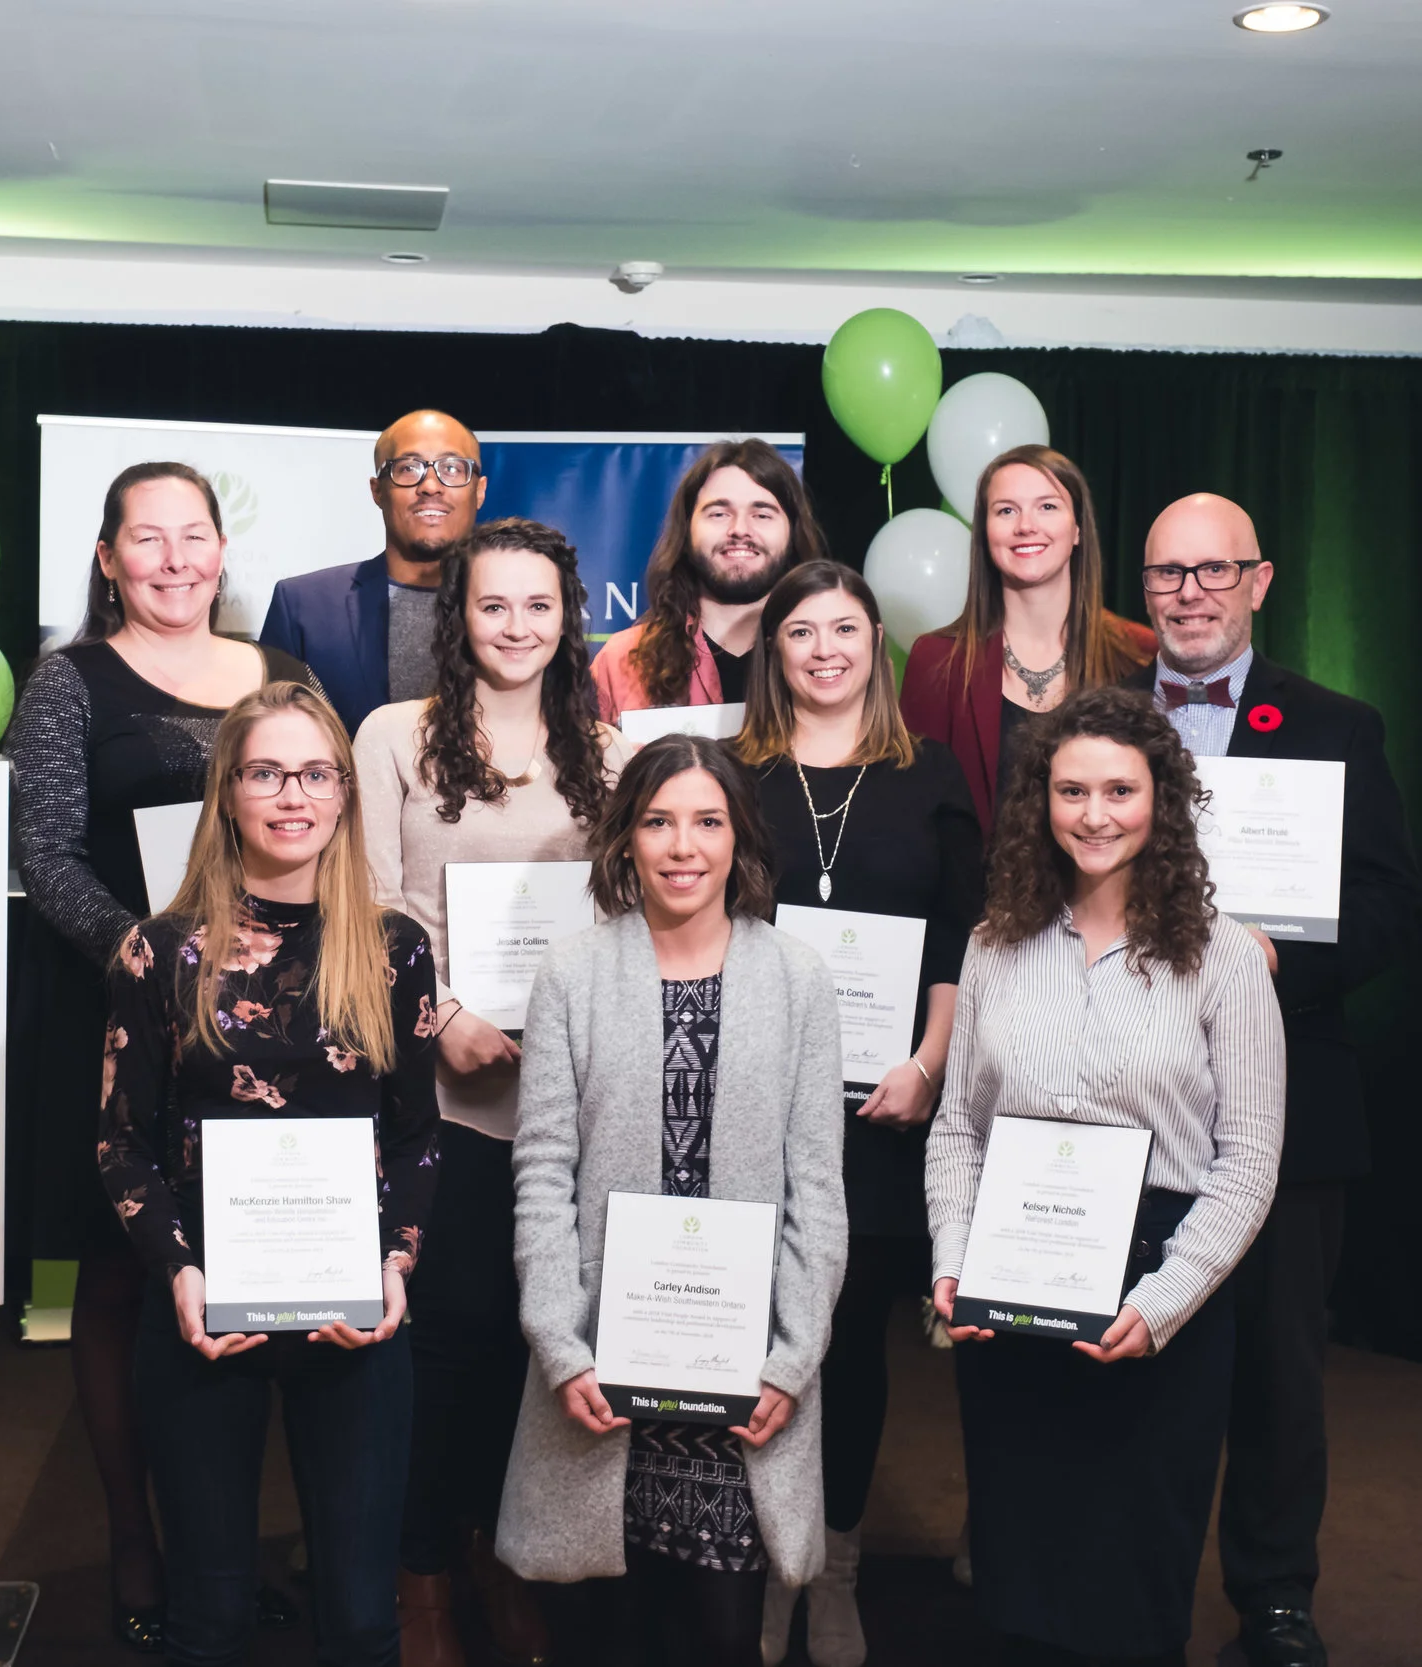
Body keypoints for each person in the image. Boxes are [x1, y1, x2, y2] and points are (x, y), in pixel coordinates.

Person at [6, 460, 321, 1654]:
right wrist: (151, 953)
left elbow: (315, 815)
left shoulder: (282, 678)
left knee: (258, 1279)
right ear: (107, 556)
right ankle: (135, 1539)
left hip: (265, 1027)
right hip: (121, 1015)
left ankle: (229, 1553)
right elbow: (44, 850)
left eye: (196, 535)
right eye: (149, 538)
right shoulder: (68, 680)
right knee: (128, 1277)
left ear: (222, 550)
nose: (176, 558)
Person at [928, 685, 1285, 1667]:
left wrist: (1163, 1300)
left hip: (1158, 1290)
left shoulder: (1223, 957)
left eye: (1119, 789)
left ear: (1161, 799)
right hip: (1013, 1283)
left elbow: (1249, 1160)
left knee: (1129, 1591)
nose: (1093, 813)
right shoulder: (996, 940)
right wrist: (954, 1260)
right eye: (1070, 789)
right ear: (1040, 801)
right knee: (1019, 1577)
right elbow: (958, 1127)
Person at [1126, 493, 1422, 1667]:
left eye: (1213, 570)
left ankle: (1275, 1598)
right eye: (1166, 573)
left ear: (1259, 580)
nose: (1189, 592)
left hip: (1289, 1103)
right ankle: (1126, 1584)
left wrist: (1276, 959)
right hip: (1125, 1102)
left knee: (1276, 1373)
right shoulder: (1097, 727)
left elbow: (1398, 904)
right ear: (1141, 587)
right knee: (1129, 1354)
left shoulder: (1335, 723)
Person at [102, 680, 441, 1667]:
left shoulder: (393, 950)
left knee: (361, 1616)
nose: (291, 794)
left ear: (342, 792)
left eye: (314, 772)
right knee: (207, 1615)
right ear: (228, 794)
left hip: (357, 1316)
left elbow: (419, 1135)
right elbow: (119, 1140)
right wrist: (180, 1272)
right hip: (207, 1316)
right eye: (264, 772)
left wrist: (394, 1264)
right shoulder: (158, 951)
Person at [496, 735, 848, 1667]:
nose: (682, 845)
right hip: (600, 1379)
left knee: (723, 1639)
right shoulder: (573, 972)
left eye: (706, 821)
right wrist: (558, 1343)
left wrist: (791, 1360)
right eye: (658, 821)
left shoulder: (799, 977)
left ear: (740, 840)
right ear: (625, 841)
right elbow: (541, 1172)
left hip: (741, 1388)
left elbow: (818, 1188)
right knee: (607, 1636)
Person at [353, 518, 637, 1667]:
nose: (515, 627)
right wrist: (444, 1021)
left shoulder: (610, 754)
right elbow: (368, 905)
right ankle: (422, 1570)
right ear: (454, 617)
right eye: (491, 605)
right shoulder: (393, 738)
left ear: (568, 616)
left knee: (538, 1351)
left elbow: (635, 912)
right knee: (445, 1345)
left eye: (537, 606)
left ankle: (505, 1554)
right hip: (442, 1102)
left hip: (568, 1110)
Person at [732, 561, 984, 1667]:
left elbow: (959, 938)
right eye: (800, 630)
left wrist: (929, 1065)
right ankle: (763, 1567)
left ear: (876, 640)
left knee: (852, 1350)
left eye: (844, 627)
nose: (823, 647)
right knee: (757, 1342)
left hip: (883, 1114)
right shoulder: (732, 776)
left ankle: (832, 1567)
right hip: (756, 1105)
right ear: (772, 650)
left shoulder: (927, 775)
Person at [900, 444, 1158, 822]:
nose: (1025, 525)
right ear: (985, 534)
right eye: (1006, 510)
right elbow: (912, 815)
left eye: (1047, 506)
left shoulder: (1138, 653)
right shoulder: (936, 661)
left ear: (1077, 530)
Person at [260, 410, 487, 735]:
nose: (431, 485)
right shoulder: (303, 606)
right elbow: (269, 740)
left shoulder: (521, 612)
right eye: (409, 468)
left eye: (451, 468)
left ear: (479, 490)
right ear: (377, 490)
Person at [589, 438, 830, 723]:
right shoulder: (622, 661)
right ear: (687, 532)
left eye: (762, 514)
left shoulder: (828, 659)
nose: (740, 529)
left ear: (793, 533)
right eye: (719, 513)